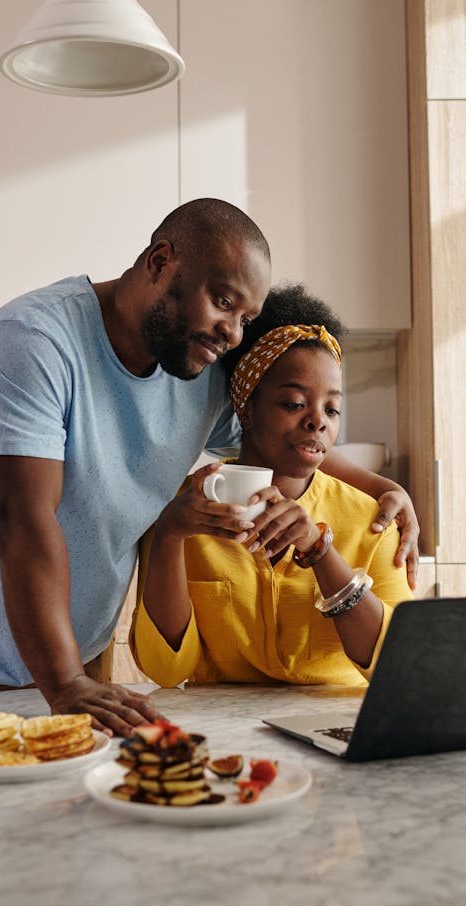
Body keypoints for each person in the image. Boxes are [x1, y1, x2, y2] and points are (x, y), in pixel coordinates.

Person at [0, 201, 417, 735]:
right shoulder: (33, 341)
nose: (233, 335)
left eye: (245, 319)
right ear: (160, 261)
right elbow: (25, 522)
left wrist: (382, 486)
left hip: (76, 656)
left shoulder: (196, 363)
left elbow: (284, 431)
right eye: (223, 302)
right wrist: (65, 685)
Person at [129, 284, 413, 689]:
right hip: (223, 737)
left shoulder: (374, 522)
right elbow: (166, 671)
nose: (318, 421)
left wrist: (320, 551)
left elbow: (400, 667)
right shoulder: (185, 511)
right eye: (295, 404)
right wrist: (170, 536)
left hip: (337, 736)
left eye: (332, 409)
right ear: (246, 409)